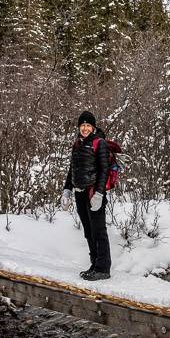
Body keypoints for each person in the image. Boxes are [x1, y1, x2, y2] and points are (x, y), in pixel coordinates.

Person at [61, 110, 111, 281]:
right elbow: (72, 169)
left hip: (93, 193)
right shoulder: (78, 143)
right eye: (82, 125)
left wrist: (99, 193)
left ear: (93, 127)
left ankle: (103, 268)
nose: (85, 128)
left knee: (99, 231)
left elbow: (104, 170)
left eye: (88, 125)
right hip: (80, 194)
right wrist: (67, 190)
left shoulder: (100, 143)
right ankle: (94, 264)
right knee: (88, 231)